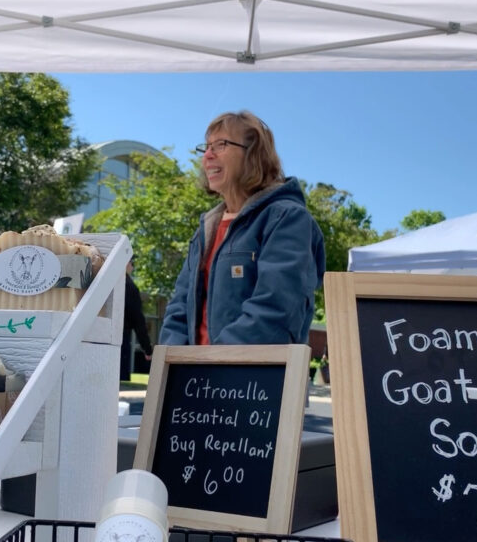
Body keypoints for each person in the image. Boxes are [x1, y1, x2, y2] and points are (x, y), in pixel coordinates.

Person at [159, 110, 325, 346]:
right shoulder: (206, 230)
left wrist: (212, 364)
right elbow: (178, 310)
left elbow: (276, 310)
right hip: (196, 378)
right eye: (206, 147)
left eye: (220, 145)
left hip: (253, 379)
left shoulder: (287, 219)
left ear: (253, 155)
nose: (207, 155)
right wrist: (175, 365)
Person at [121, 257, 153, 381]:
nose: (133, 267)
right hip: (122, 337)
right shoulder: (129, 287)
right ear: (126, 263)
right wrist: (147, 348)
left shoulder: (108, 283)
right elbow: (138, 320)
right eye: (132, 263)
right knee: (121, 379)